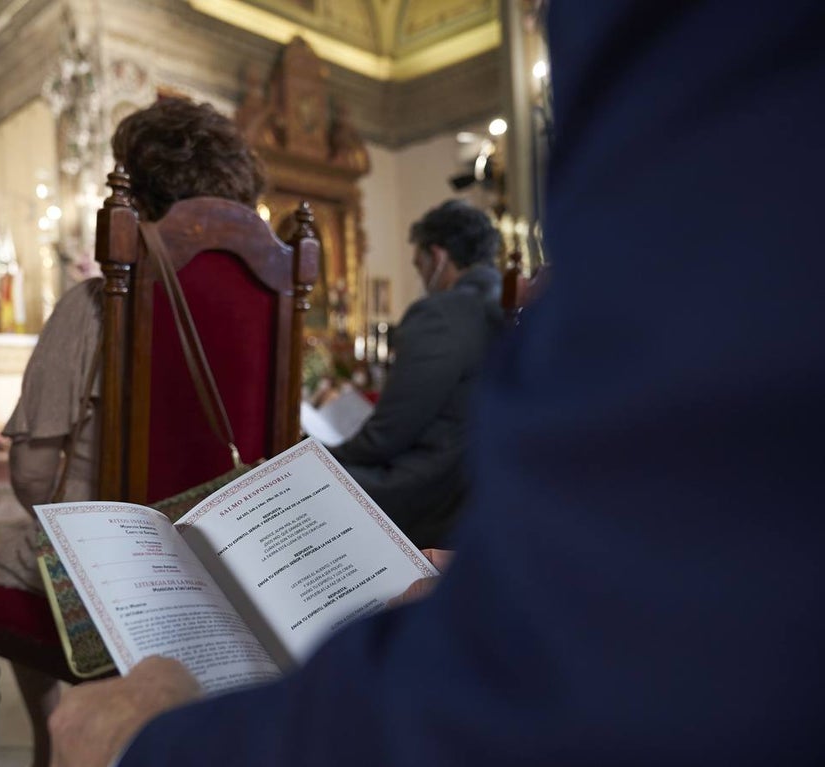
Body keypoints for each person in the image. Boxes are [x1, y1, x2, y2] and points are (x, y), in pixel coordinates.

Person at [46, 2, 825, 766]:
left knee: (51, 588)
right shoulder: (432, 301)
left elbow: (589, 664)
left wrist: (147, 744)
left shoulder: (98, 301)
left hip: (417, 523)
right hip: (464, 507)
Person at [0, 96, 265, 767]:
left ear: (134, 193)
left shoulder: (99, 303)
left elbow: (34, 473)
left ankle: (59, 742)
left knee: (4, 571)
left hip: (123, 569)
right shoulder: (272, 302)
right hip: (235, 559)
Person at [328, 200, 502, 547]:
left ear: (438, 257)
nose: (423, 277)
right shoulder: (509, 299)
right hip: (484, 485)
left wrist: (324, 458)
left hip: (433, 494)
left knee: (301, 486)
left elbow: (388, 434)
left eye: (419, 264)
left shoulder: (441, 314)